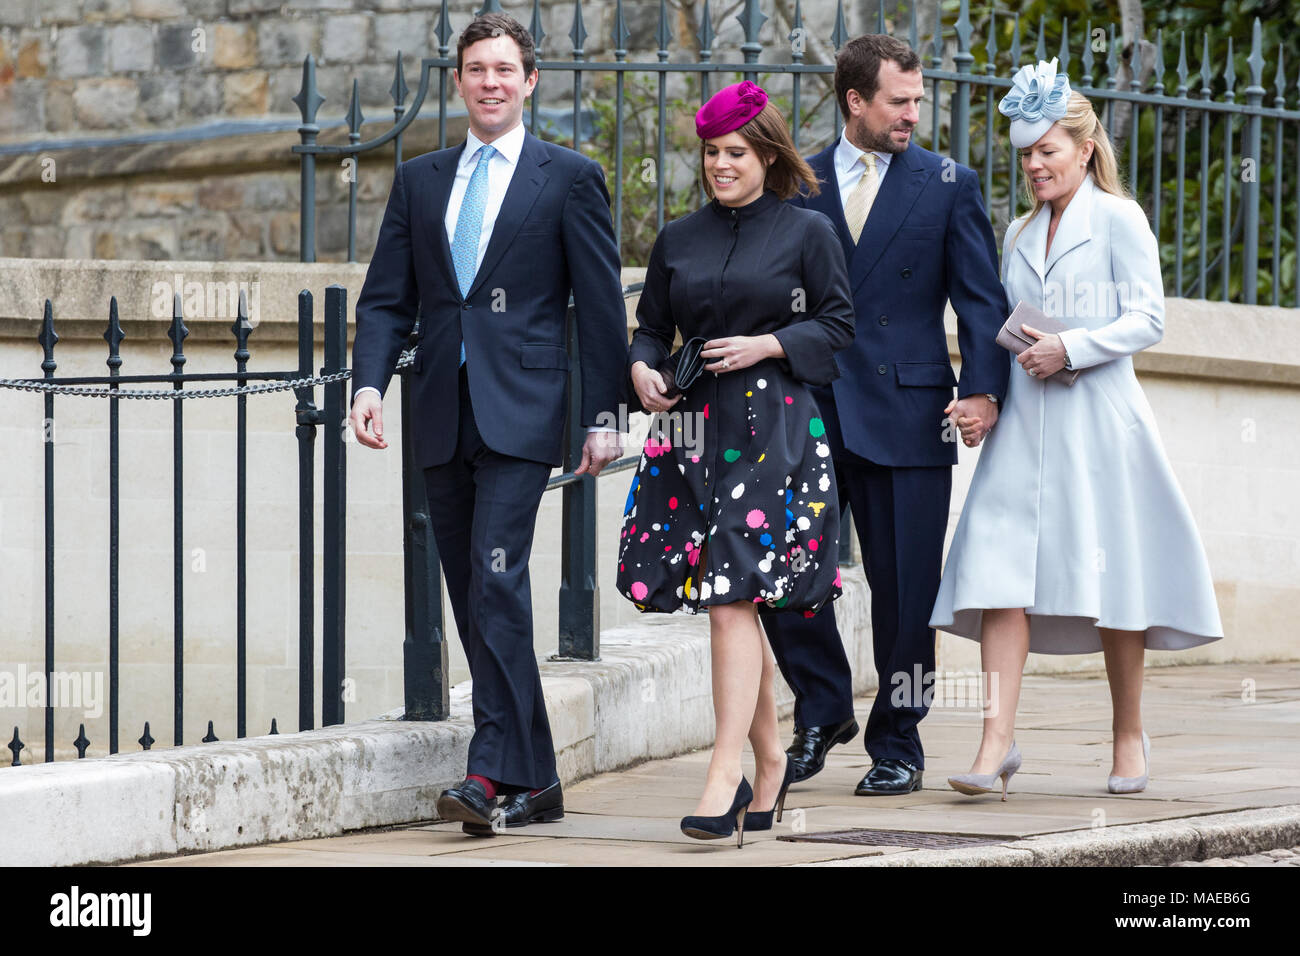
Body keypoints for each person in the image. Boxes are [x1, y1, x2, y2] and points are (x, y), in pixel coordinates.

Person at [349, 13, 628, 835]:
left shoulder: (568, 175)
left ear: (530, 80)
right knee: (472, 593)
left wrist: (605, 414)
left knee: (498, 577)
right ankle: (536, 780)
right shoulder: (422, 177)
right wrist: (368, 385)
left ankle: (485, 768)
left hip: (524, 411)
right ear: (460, 80)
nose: (491, 82)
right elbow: (385, 298)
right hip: (441, 408)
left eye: (505, 69)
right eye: (476, 69)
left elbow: (601, 307)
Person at [931, 59, 1224, 799]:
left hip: (1099, 423)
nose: (1034, 165)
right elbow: (1002, 327)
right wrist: (983, 399)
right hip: (1025, 427)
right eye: (1026, 153)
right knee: (1001, 573)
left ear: (1083, 149)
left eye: (1047, 151)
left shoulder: (1120, 219)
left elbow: (1148, 317)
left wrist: (1076, 346)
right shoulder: (1018, 229)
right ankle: (997, 740)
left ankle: (1129, 732)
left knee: (1115, 576)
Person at [756, 34, 1011, 795]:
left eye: (918, 100)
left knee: (906, 591)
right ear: (855, 101)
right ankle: (823, 704)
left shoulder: (947, 182)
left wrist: (984, 389)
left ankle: (898, 739)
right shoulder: (791, 180)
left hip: (909, 409)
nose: (913, 114)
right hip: (807, 405)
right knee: (783, 567)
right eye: (899, 101)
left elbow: (980, 298)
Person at [617, 81, 855, 846]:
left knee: (733, 592)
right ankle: (770, 758)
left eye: (737, 154)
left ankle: (726, 769)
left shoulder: (808, 232)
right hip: (690, 433)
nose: (723, 165)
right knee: (730, 595)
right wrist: (642, 369)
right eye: (714, 153)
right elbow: (652, 328)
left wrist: (770, 343)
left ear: (769, 156)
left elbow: (839, 325)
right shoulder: (679, 238)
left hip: (772, 429)